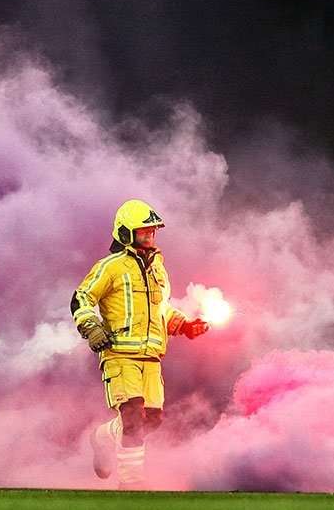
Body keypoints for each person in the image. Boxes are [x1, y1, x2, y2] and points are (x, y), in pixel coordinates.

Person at [71, 199, 209, 489]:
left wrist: (185, 325)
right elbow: (81, 298)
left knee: (153, 419)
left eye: (153, 231)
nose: (150, 236)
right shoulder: (110, 267)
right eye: (144, 231)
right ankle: (131, 486)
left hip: (151, 358)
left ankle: (105, 435)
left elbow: (162, 309)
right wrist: (91, 327)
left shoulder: (158, 268)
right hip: (119, 355)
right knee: (132, 415)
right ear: (125, 234)